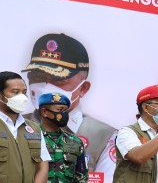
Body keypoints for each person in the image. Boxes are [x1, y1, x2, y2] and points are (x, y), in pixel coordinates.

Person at [22, 33, 115, 171]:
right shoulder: (12, 126)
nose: (45, 87)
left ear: (83, 88)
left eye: (58, 79)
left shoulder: (104, 137)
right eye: (37, 76)